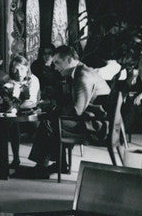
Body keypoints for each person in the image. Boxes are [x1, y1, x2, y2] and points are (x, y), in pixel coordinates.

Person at [26, 47, 110, 177]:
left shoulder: (83, 76)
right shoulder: (79, 72)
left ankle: (42, 167)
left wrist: (52, 110)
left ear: (70, 60)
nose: (55, 67)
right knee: (52, 118)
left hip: (96, 125)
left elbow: (77, 110)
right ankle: (60, 164)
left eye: (58, 62)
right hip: (93, 118)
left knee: (48, 121)